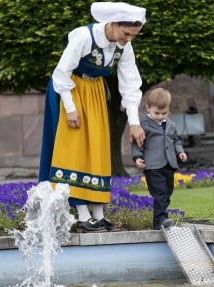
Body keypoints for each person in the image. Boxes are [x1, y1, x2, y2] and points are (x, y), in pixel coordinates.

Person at [39, 2, 146, 233]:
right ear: (114, 23)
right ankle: (82, 216)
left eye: (133, 36)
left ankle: (97, 215)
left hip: (95, 92)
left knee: (97, 148)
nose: (129, 39)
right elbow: (61, 72)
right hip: (69, 90)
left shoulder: (123, 46)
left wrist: (134, 123)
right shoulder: (83, 36)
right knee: (74, 150)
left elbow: (130, 84)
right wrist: (70, 108)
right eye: (126, 33)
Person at [131, 88, 188, 230]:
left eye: (164, 113)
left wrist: (180, 152)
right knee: (160, 193)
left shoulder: (171, 124)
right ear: (148, 108)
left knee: (167, 193)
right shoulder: (143, 125)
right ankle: (161, 219)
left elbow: (175, 140)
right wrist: (137, 157)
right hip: (152, 166)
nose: (160, 116)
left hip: (168, 164)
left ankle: (159, 221)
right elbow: (136, 144)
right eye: (156, 113)